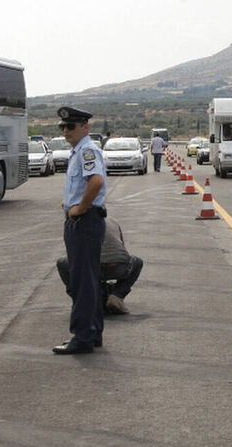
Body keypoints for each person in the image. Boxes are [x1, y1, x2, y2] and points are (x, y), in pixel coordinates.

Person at [54, 106, 107, 355]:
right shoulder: (79, 151)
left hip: (84, 223)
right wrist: (70, 203)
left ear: (85, 127)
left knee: (81, 282)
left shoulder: (87, 150)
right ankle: (93, 332)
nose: (66, 130)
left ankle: (82, 337)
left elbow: (96, 181)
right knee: (89, 280)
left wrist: (79, 208)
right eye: (63, 127)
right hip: (85, 221)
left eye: (71, 126)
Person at [56, 216, 143, 315]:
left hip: (89, 269)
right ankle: (117, 296)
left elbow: (73, 253)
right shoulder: (112, 220)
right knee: (137, 262)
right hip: (118, 267)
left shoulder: (73, 224)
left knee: (62, 263)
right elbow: (121, 247)